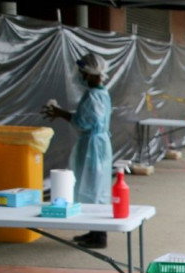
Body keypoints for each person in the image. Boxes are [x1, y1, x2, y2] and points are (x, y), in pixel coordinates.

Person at [42, 52, 113, 249]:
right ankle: (93, 231)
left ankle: (99, 235)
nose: (80, 76)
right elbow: (88, 119)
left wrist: (61, 113)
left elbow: (85, 122)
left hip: (93, 147)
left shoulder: (93, 96)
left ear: (90, 73)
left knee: (93, 188)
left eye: (82, 72)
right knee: (90, 187)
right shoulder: (98, 93)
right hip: (94, 145)